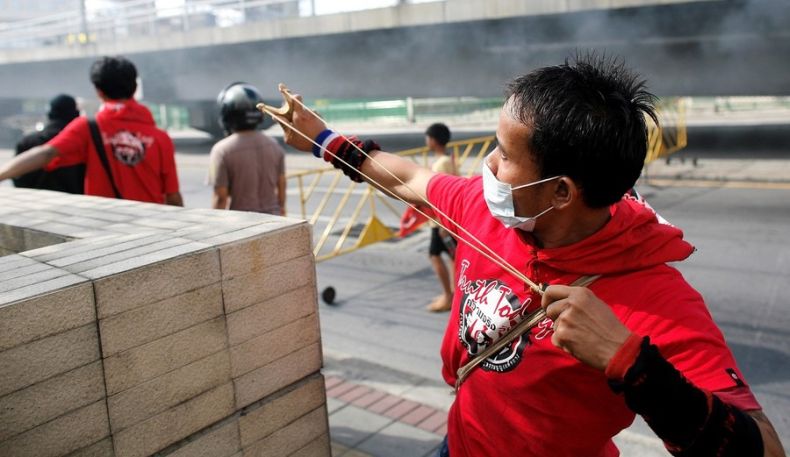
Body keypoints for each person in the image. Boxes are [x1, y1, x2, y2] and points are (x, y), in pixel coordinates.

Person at [279, 55, 785, 456]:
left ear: (560, 191)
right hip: (458, 444)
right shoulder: (484, 207)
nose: (488, 163)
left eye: (503, 152)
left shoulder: (657, 300)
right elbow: (409, 179)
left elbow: (765, 448)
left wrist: (632, 365)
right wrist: (319, 138)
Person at [0, 56, 183, 206]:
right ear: (135, 88)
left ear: (99, 91)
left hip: (104, 229)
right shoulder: (161, 138)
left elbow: (46, 153)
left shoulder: (87, 127)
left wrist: (2, 175)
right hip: (153, 228)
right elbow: (173, 196)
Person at [208, 82, 286, 215]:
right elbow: (281, 188)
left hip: (244, 224)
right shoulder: (274, 145)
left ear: (227, 114)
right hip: (275, 221)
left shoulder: (221, 150)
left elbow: (220, 199)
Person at [13, 94, 84, 194]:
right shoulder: (82, 143)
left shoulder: (28, 141)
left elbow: (18, 178)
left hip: (31, 203)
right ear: (75, 114)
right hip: (76, 205)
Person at [424, 122, 457, 312]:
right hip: (445, 220)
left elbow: (443, 195)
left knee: (434, 255)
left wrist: (443, 223)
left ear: (433, 141)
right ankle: (453, 292)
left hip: (440, 222)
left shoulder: (441, 163)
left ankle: (448, 295)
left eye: (428, 137)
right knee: (453, 256)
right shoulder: (446, 159)